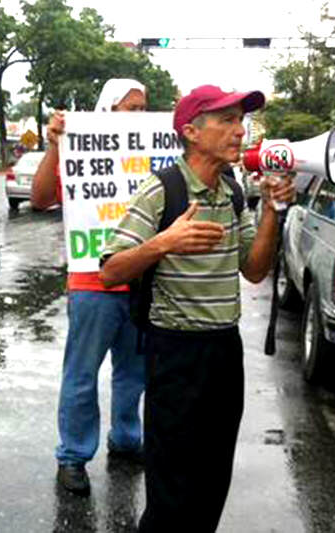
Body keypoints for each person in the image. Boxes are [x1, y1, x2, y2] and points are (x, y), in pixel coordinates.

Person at [100, 84, 295, 532]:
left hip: (224, 351)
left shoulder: (232, 192)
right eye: (225, 120)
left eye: (240, 120)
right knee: (172, 489)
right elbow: (111, 270)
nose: (239, 130)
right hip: (176, 353)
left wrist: (270, 210)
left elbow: (254, 270)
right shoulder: (161, 190)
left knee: (212, 479)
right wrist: (165, 242)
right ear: (191, 131)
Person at [30, 78, 147, 497]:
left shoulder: (150, 157)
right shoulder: (78, 147)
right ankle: (73, 457)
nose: (139, 115)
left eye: (143, 108)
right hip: (92, 284)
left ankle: (127, 439)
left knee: (134, 373)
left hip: (140, 283)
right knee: (82, 375)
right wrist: (54, 145)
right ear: (109, 110)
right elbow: (41, 198)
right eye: (132, 108)